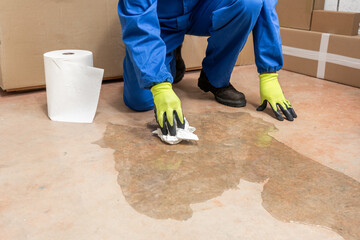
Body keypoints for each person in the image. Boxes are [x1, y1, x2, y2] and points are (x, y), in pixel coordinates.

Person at [118, 0, 297, 136]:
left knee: (249, 3)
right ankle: (170, 55)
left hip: (201, 9)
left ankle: (214, 77)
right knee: (141, 101)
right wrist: (158, 85)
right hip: (159, 21)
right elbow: (138, 17)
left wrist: (269, 73)